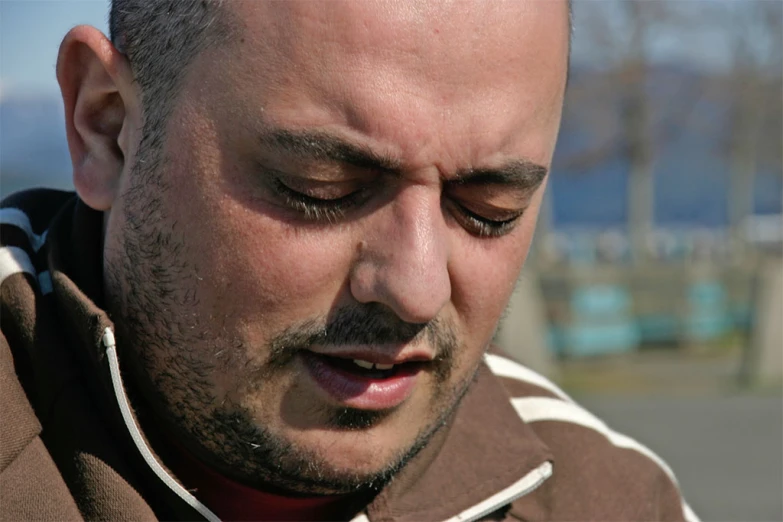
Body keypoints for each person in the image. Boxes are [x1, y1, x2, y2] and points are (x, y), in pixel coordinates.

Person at [0, 1, 698, 520]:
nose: (415, 288)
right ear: (107, 127)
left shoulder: (611, 498)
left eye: (489, 208)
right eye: (322, 189)